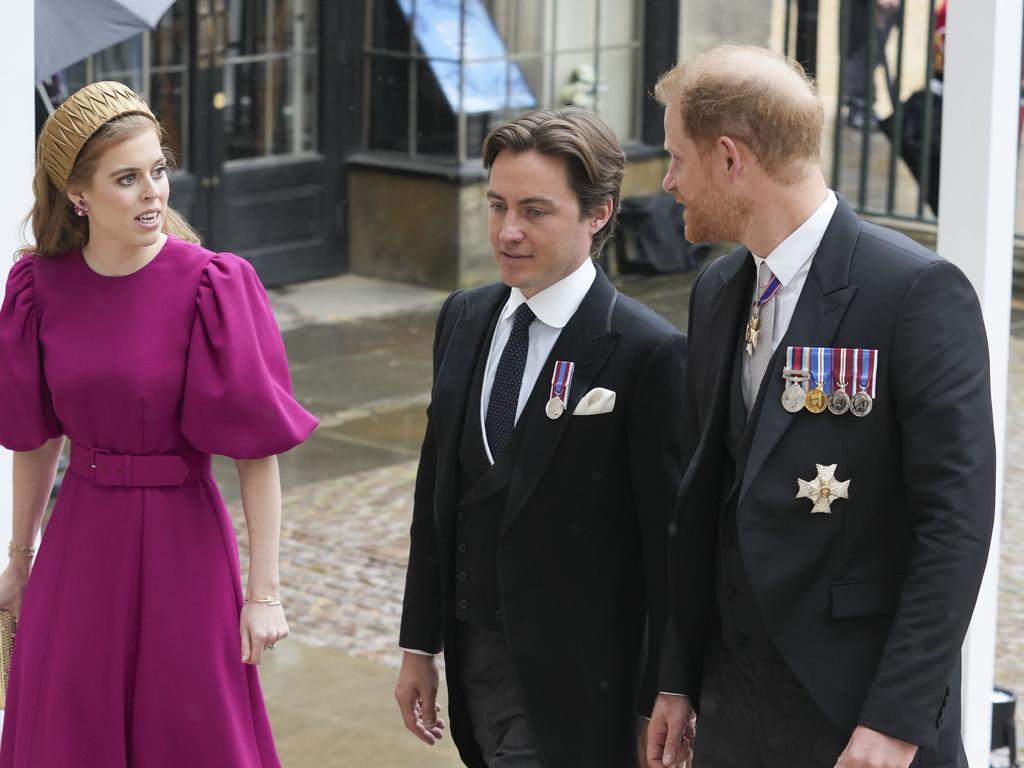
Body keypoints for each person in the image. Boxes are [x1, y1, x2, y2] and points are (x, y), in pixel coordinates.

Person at [645, 46, 993, 768]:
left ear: (731, 158)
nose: (669, 181)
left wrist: (895, 723)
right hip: (733, 712)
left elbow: (954, 527)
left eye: (679, 157)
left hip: (856, 719)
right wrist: (677, 679)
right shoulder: (716, 291)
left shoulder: (916, 294)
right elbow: (702, 504)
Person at [0, 81, 318, 766]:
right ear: (78, 195)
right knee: (69, 730)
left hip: (186, 544)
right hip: (79, 544)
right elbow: (35, 437)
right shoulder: (37, 290)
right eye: (127, 178)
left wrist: (264, 593)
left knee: (192, 735)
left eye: (158, 171)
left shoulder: (214, 286)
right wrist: (19, 559)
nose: (153, 192)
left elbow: (255, 453)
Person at [394, 106, 688, 768]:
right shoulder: (463, 318)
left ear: (599, 213)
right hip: (473, 667)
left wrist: (659, 698)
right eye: (496, 206)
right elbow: (436, 494)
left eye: (535, 210)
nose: (509, 231)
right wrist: (419, 644)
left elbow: (668, 548)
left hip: (582, 685)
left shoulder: (648, 352)